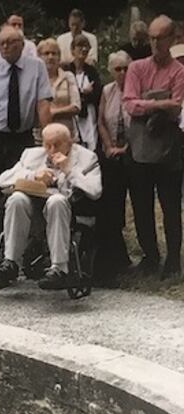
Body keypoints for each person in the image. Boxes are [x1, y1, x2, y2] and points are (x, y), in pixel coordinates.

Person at [0, 123, 102, 288]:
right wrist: (33, 175)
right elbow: (3, 180)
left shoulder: (87, 158)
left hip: (67, 208)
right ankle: (11, 262)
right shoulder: (31, 155)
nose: (52, 149)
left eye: (58, 144)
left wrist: (68, 170)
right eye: (48, 145)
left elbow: (95, 190)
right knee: (16, 198)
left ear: (70, 142)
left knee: (56, 201)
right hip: (33, 207)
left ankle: (59, 269)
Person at [123, 15, 184, 279]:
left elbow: (178, 107)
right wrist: (160, 103)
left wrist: (146, 103)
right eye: (152, 37)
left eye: (161, 38)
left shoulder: (179, 71)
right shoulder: (136, 68)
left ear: (173, 39)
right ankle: (150, 256)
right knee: (141, 206)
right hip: (139, 148)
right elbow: (129, 103)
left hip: (168, 150)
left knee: (170, 207)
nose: (156, 43)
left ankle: (172, 259)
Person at [0, 25, 52, 209]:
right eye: (1, 44)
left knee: (23, 183)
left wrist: (49, 139)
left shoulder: (37, 67)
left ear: (22, 45)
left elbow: (43, 104)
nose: (5, 47)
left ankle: (21, 229)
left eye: (10, 42)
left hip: (22, 135)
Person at [94, 51, 134, 285]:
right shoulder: (107, 91)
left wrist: (126, 147)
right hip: (110, 155)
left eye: (126, 68)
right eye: (117, 69)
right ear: (110, 70)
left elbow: (138, 124)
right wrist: (108, 146)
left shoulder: (136, 89)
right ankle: (115, 255)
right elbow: (100, 121)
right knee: (111, 204)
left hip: (133, 153)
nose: (122, 73)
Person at [36, 38, 81, 140]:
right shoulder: (34, 80)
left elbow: (76, 106)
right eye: (46, 53)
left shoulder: (68, 77)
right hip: (40, 138)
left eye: (54, 53)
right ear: (39, 57)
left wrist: (53, 112)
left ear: (59, 57)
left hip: (66, 136)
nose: (50, 57)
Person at [63, 34, 102, 150]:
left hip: (89, 116)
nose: (84, 49)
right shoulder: (66, 71)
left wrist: (85, 95)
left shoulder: (92, 72)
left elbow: (97, 94)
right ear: (72, 49)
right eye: (80, 46)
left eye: (86, 47)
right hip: (71, 115)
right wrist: (83, 93)